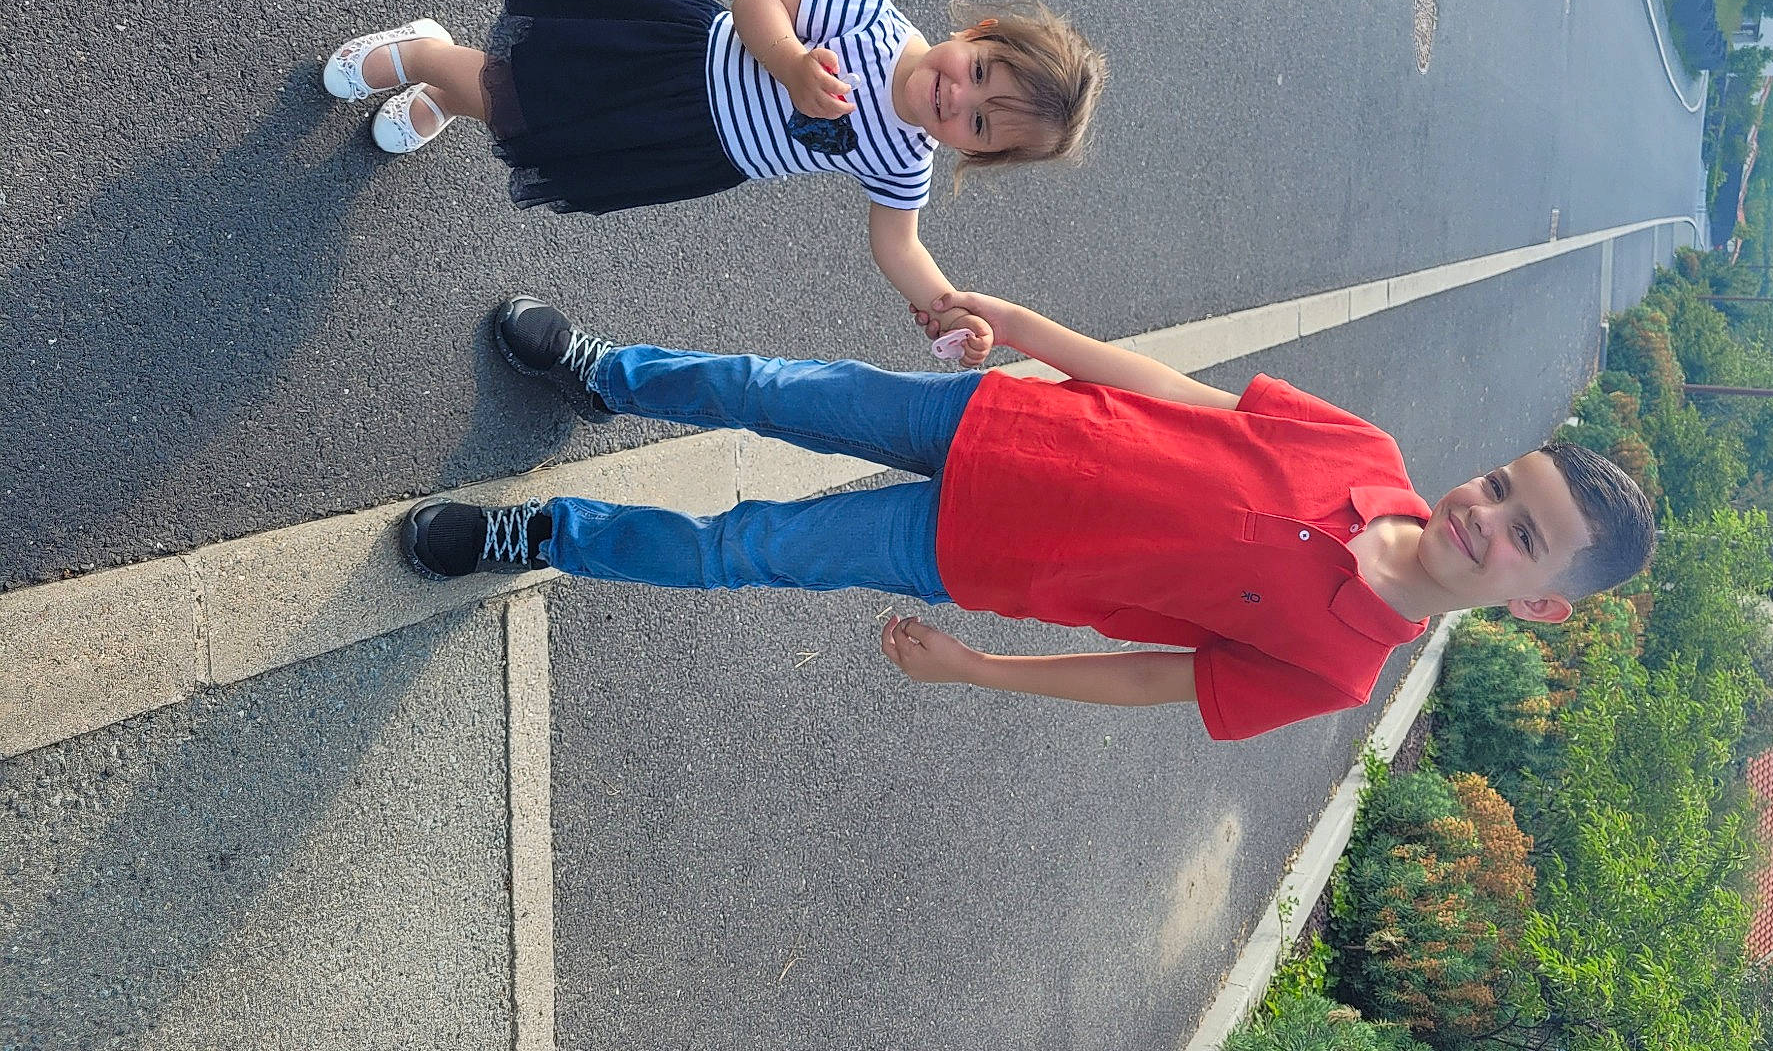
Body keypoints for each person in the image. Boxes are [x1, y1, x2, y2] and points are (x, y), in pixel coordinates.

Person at [402, 293, 1657, 740]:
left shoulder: (1337, 672)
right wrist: (1028, 329)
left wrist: (978, 670)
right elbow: (1179, 397)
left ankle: (543, 537)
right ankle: (606, 376)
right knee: (765, 389)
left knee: (746, 548)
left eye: (1521, 536)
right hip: (990, 420)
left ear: (1539, 605)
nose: (1483, 513)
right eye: (1504, 484)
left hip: (966, 553)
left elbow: (1148, 680)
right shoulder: (1364, 452)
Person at [322, 0, 1105, 365]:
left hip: (690, 148)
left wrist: (947, 310)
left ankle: (450, 92)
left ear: (974, 150)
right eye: (978, 71)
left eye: (978, 122)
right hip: (670, 64)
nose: (956, 96)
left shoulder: (907, 157)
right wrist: (792, 63)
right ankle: (429, 55)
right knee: (533, 97)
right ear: (977, 31)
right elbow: (758, 0)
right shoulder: (875, 24)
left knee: (547, 128)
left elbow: (897, 243)